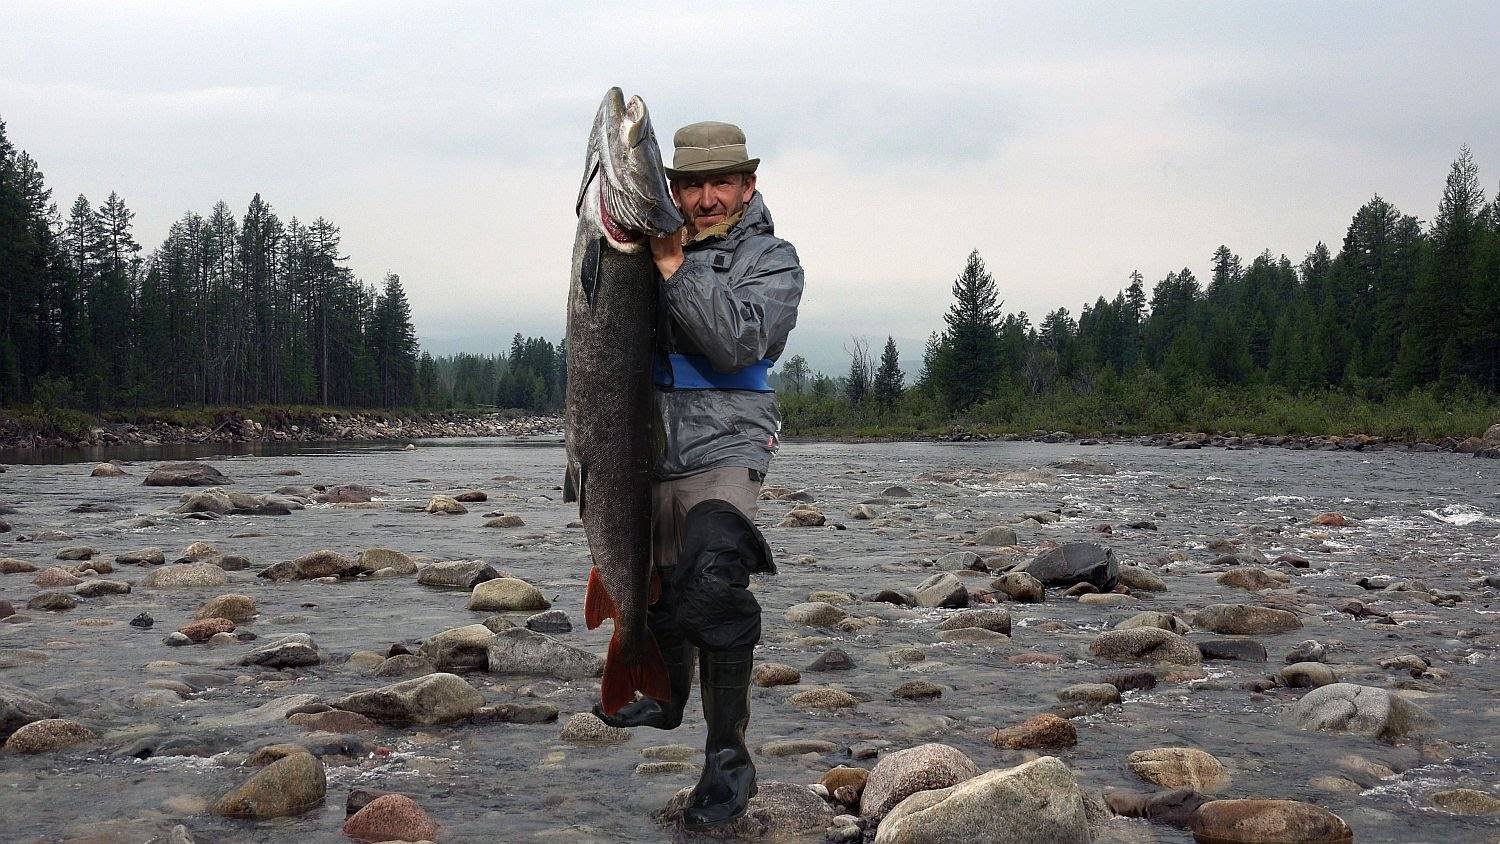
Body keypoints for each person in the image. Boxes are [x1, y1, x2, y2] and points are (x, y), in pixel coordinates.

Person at [592, 120, 803, 829]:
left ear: (748, 185)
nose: (707, 199)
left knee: (712, 576)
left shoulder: (773, 260)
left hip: (728, 441)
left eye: (722, 183)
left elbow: (737, 340)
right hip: (643, 443)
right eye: (692, 185)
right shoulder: (639, 251)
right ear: (672, 190)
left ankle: (728, 761)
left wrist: (676, 267)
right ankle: (666, 693)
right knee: (652, 583)